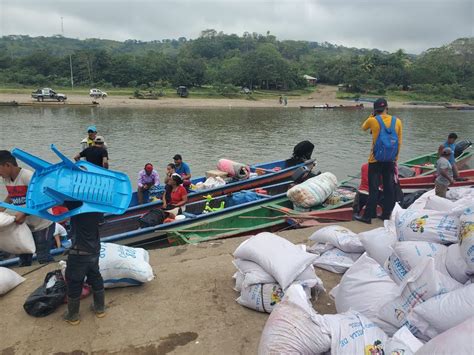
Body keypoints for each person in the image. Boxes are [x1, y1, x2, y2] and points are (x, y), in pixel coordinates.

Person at [0, 150, 54, 266]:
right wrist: (2, 208)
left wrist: (24, 213)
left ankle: (55, 277)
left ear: (8, 165)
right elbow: (11, 194)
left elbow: (43, 198)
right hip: (26, 226)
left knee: (43, 257)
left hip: (42, 224)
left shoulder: (27, 176)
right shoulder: (6, 179)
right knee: (23, 258)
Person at [355, 98, 403, 224]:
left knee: (374, 189)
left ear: (375, 110)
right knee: (388, 188)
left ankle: (367, 216)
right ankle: (386, 215)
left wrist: (372, 115)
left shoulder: (373, 120)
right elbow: (399, 141)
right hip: (390, 160)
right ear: (387, 107)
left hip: (375, 160)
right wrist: (395, 159)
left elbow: (363, 128)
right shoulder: (397, 121)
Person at [63, 201, 105, 325]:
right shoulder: (98, 205)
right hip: (94, 250)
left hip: (79, 253)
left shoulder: (76, 204)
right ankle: (100, 309)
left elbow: (64, 201)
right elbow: (100, 223)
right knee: (95, 277)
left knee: (74, 282)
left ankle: (73, 316)